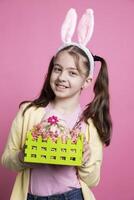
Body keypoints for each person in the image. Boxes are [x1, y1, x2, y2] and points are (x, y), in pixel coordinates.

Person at [1, 8, 112, 200]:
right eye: (58, 69)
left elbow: (93, 180)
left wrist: (85, 160)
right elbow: (7, 160)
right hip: (31, 196)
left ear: (86, 81)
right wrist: (23, 155)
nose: (62, 77)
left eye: (72, 72)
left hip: (72, 195)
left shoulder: (89, 124)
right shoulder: (29, 113)